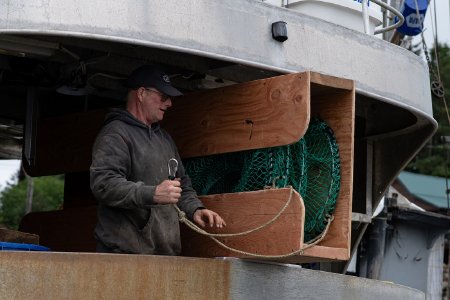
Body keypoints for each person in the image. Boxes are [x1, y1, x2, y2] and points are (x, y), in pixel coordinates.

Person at [90, 65, 226, 254]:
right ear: (141, 93)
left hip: (165, 257)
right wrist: (152, 193)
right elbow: (103, 184)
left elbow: (182, 186)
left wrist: (195, 209)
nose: (169, 103)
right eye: (163, 96)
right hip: (122, 256)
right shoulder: (115, 134)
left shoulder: (165, 139)